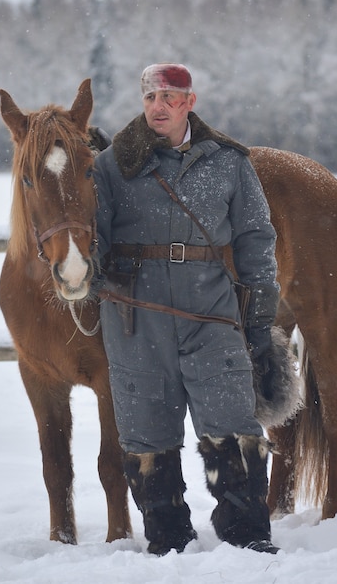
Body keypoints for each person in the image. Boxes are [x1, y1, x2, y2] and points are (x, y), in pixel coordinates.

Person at [93, 63, 285, 556]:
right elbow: (89, 236)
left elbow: (255, 239)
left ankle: (246, 536)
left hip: (211, 313)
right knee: (147, 436)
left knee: (233, 427)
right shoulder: (113, 166)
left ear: (190, 102)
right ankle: (167, 539)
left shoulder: (228, 162)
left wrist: (260, 316)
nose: (158, 105)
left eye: (170, 97)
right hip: (136, 318)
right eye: (151, 96)